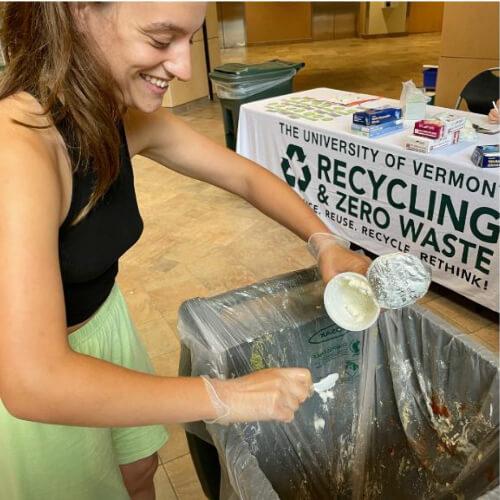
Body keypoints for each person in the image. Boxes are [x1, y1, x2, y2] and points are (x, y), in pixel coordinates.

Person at [0, 3, 371, 500]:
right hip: (43, 368)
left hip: (104, 323)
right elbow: (34, 381)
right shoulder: (18, 150)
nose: (184, 69)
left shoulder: (116, 116)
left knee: (138, 469)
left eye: (189, 41)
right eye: (160, 40)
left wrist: (324, 242)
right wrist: (223, 396)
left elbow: (241, 174)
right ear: (75, 13)